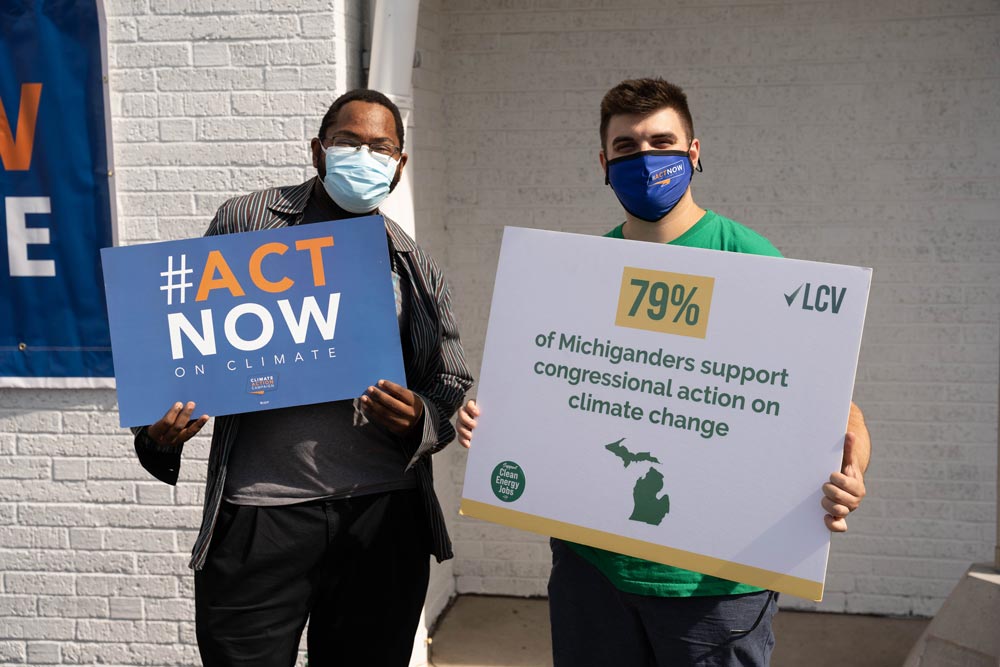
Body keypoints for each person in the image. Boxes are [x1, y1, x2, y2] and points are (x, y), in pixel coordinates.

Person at [456, 77, 870, 667]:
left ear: (694, 152)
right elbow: (561, 390)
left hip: (716, 588)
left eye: (662, 142)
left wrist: (852, 471)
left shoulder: (751, 262)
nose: (645, 159)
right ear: (604, 163)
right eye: (627, 147)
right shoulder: (580, 273)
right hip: (592, 571)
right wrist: (495, 424)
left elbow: (835, 408)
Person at [130, 89, 473, 666]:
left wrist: (422, 417)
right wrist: (157, 427)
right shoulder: (246, 221)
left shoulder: (411, 260)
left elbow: (450, 380)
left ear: (400, 165)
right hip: (258, 518)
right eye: (348, 142)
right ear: (318, 151)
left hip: (381, 519)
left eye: (381, 147)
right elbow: (183, 339)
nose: (365, 155)